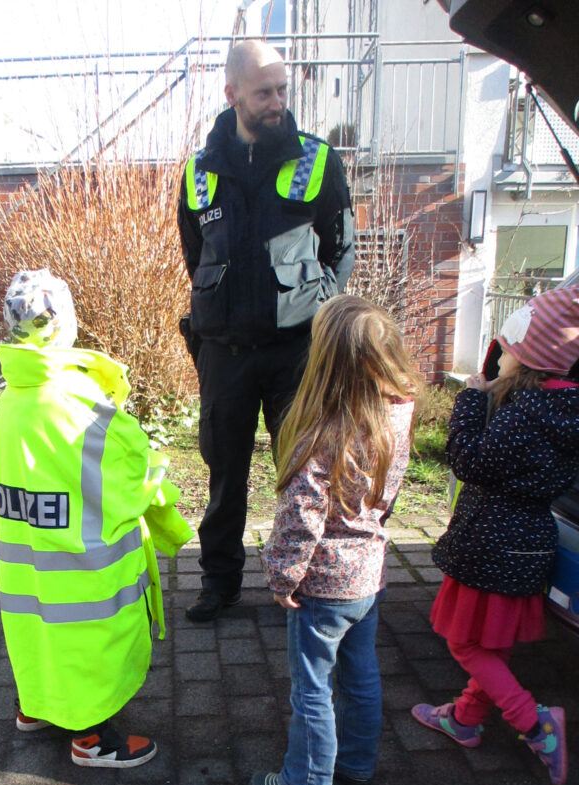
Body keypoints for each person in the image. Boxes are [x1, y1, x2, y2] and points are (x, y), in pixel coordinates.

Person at [177, 38, 354, 622]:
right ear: (232, 95)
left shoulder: (318, 160)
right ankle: (220, 584)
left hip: (295, 352)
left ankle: (302, 578)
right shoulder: (198, 172)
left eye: (282, 89)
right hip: (223, 353)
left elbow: (339, 251)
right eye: (264, 92)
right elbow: (196, 252)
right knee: (224, 476)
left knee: (303, 473)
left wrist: (313, 314)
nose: (278, 101)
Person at [0, 269, 193, 768]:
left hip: (28, 563)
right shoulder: (74, 399)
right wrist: (169, 513)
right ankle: (91, 738)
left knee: (37, 630)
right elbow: (132, 469)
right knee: (89, 641)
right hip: (82, 565)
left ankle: (35, 708)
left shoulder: (11, 398)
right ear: (64, 324)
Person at [250, 295, 420, 785]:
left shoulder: (327, 432)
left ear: (326, 361)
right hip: (368, 576)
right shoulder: (398, 412)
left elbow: (300, 519)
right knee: (362, 673)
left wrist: (282, 578)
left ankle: (305, 784)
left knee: (312, 688)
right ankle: (356, 763)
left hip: (322, 587)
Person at [411, 286, 579, 785]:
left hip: (491, 541)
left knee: (465, 644)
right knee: (495, 645)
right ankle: (464, 719)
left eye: (505, 346)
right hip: (531, 538)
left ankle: (535, 723)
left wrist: (467, 401)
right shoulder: (567, 410)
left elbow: (469, 462)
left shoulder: (525, 413)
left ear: (526, 357)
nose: (498, 354)